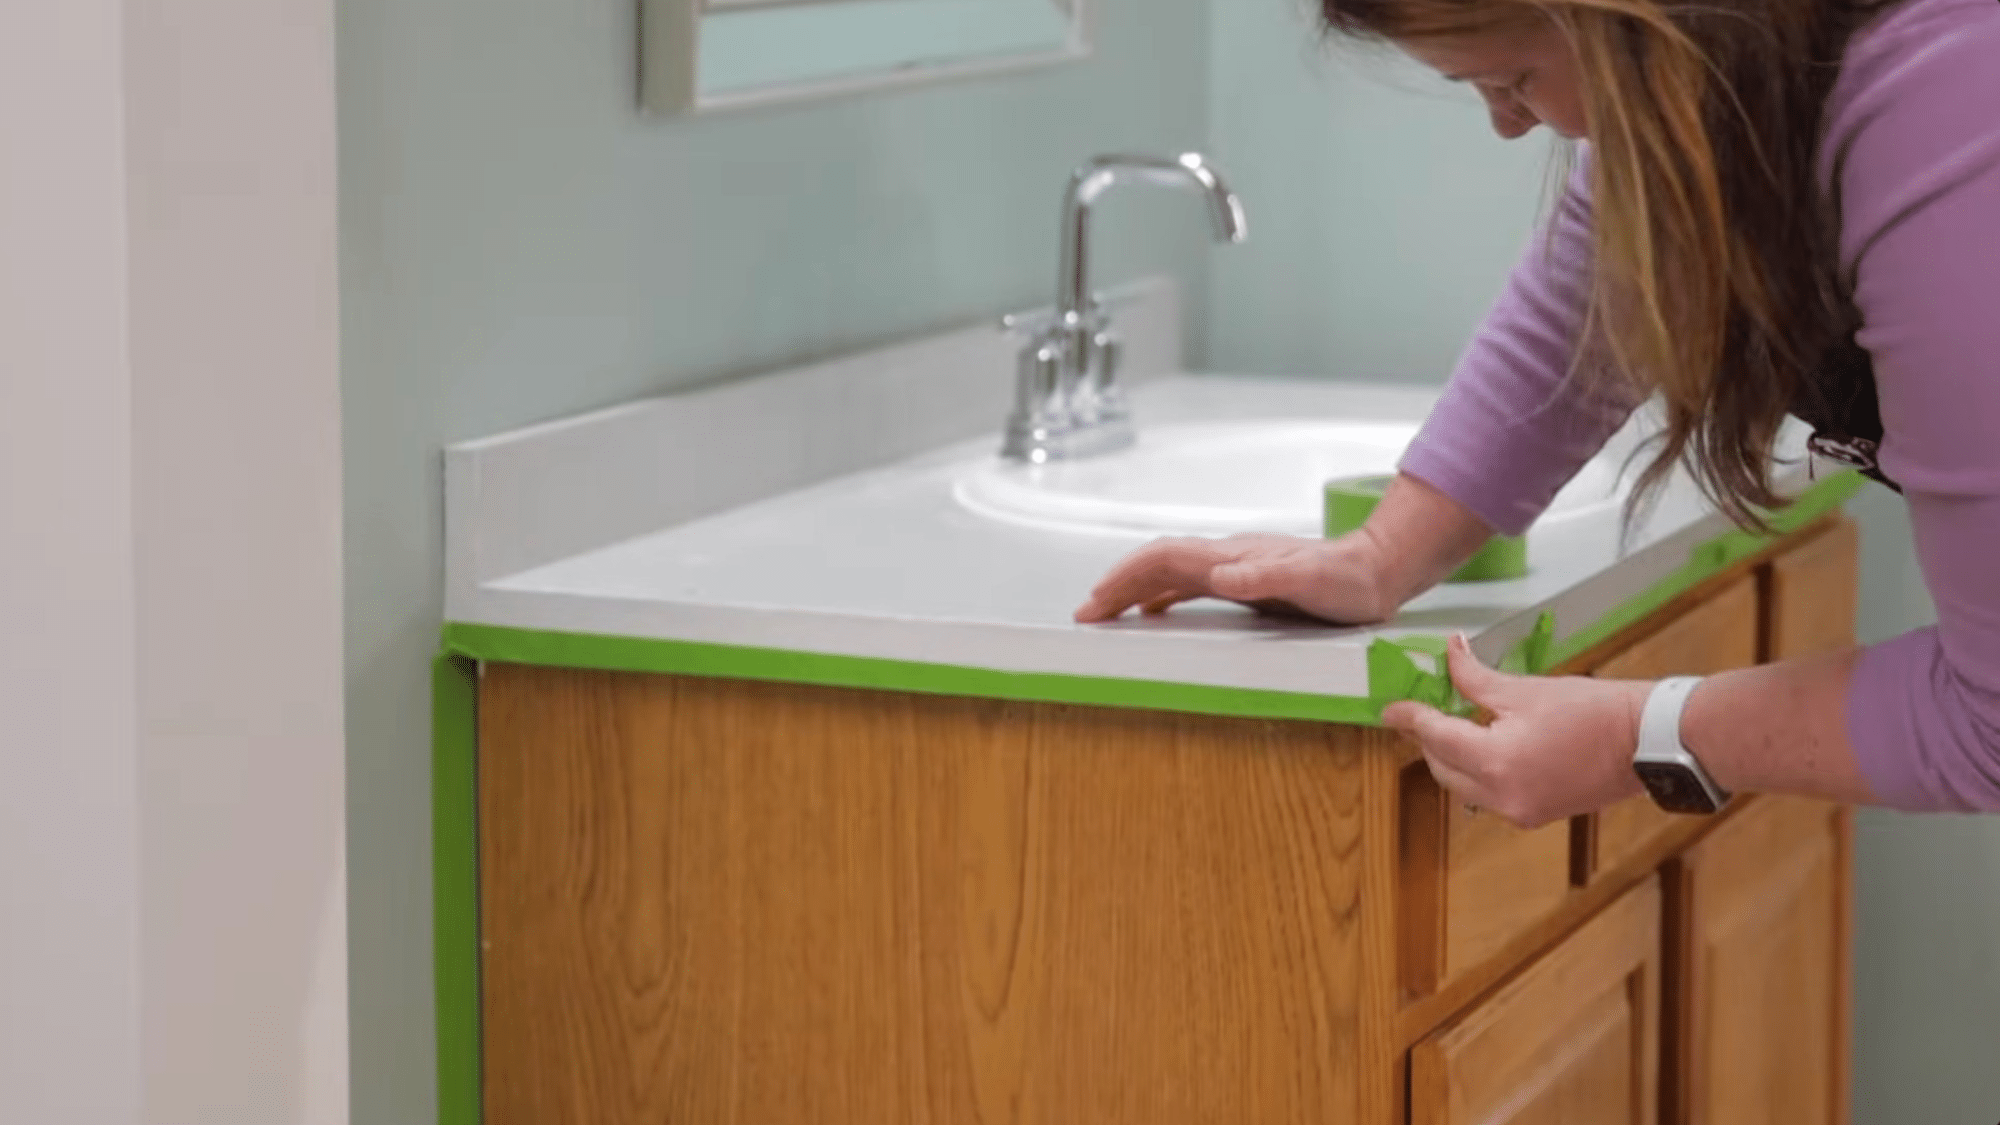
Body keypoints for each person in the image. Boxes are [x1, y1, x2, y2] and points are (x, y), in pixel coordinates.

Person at [1074, 0, 2000, 824]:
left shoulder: (1945, 101)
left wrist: (1644, 733)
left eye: (1514, 78)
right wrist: (1381, 555)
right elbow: (1600, 288)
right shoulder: (1752, 71)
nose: (1511, 125)